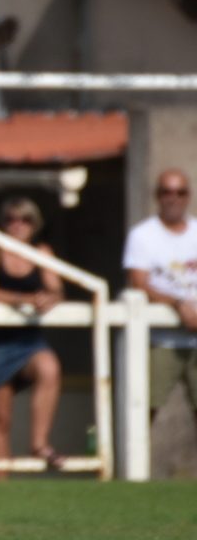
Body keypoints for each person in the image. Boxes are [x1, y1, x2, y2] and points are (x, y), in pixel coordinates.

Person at [0, 196, 65, 476]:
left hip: (29, 342)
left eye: (24, 219)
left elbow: (57, 290)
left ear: (34, 224)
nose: (17, 225)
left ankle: (39, 443)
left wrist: (47, 299)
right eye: (11, 219)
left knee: (49, 367)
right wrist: (25, 298)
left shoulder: (42, 252)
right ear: (2, 224)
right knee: (1, 419)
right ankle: (1, 486)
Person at [123, 169, 197, 430]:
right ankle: (130, 468)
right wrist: (179, 305)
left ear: (188, 196)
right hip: (161, 339)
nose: (173, 198)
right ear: (157, 196)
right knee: (143, 410)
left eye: (180, 192)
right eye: (167, 191)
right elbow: (139, 283)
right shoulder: (143, 235)